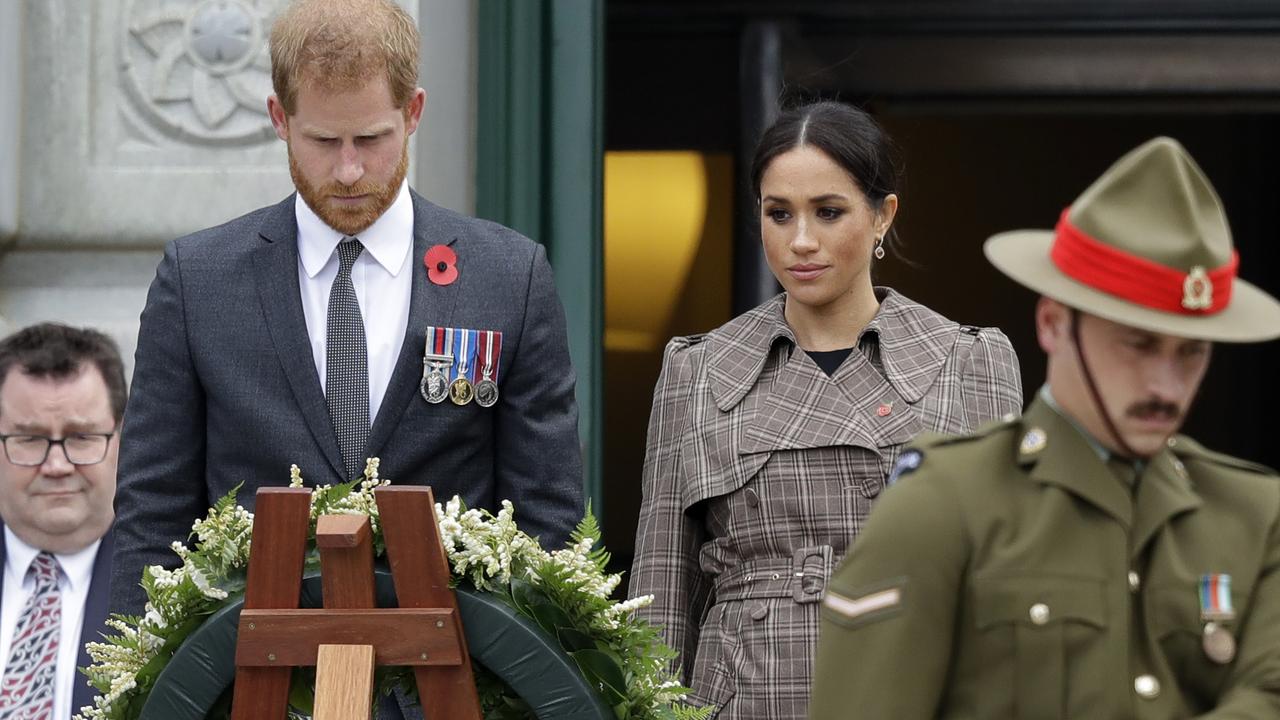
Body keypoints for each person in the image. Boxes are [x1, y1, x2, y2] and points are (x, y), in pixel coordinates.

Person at [110, 0, 583, 617]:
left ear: (413, 112)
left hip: (452, 685)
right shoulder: (198, 281)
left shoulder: (508, 277)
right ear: (280, 119)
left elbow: (549, 517)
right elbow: (152, 514)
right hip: (254, 683)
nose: (350, 169)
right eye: (324, 141)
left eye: (371, 138)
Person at [810, 137, 1280, 719]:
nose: (1166, 384)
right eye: (1138, 343)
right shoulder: (946, 502)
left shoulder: (1254, 514)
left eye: (1192, 353)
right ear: (1054, 324)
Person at [628, 101, 1023, 719]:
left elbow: (1004, 586)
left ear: (882, 215)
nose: (801, 241)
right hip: (743, 695)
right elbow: (662, 590)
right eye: (778, 214)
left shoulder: (967, 361)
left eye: (829, 212)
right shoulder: (699, 370)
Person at [0, 323, 125, 719]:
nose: (57, 465)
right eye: (30, 438)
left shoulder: (169, 580)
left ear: (123, 437)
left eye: (81, 437)